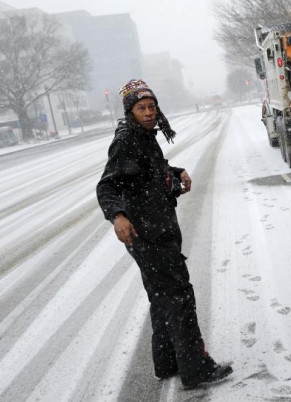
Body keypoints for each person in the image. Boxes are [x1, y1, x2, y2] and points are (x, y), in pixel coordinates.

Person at [96, 79, 232, 389]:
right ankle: (196, 369)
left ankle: (167, 362)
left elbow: (147, 171)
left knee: (161, 298)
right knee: (179, 297)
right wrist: (117, 216)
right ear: (130, 112)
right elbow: (107, 185)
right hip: (149, 235)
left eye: (152, 106)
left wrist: (174, 171)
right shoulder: (127, 140)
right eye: (141, 108)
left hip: (156, 230)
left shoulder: (142, 138)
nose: (148, 112)